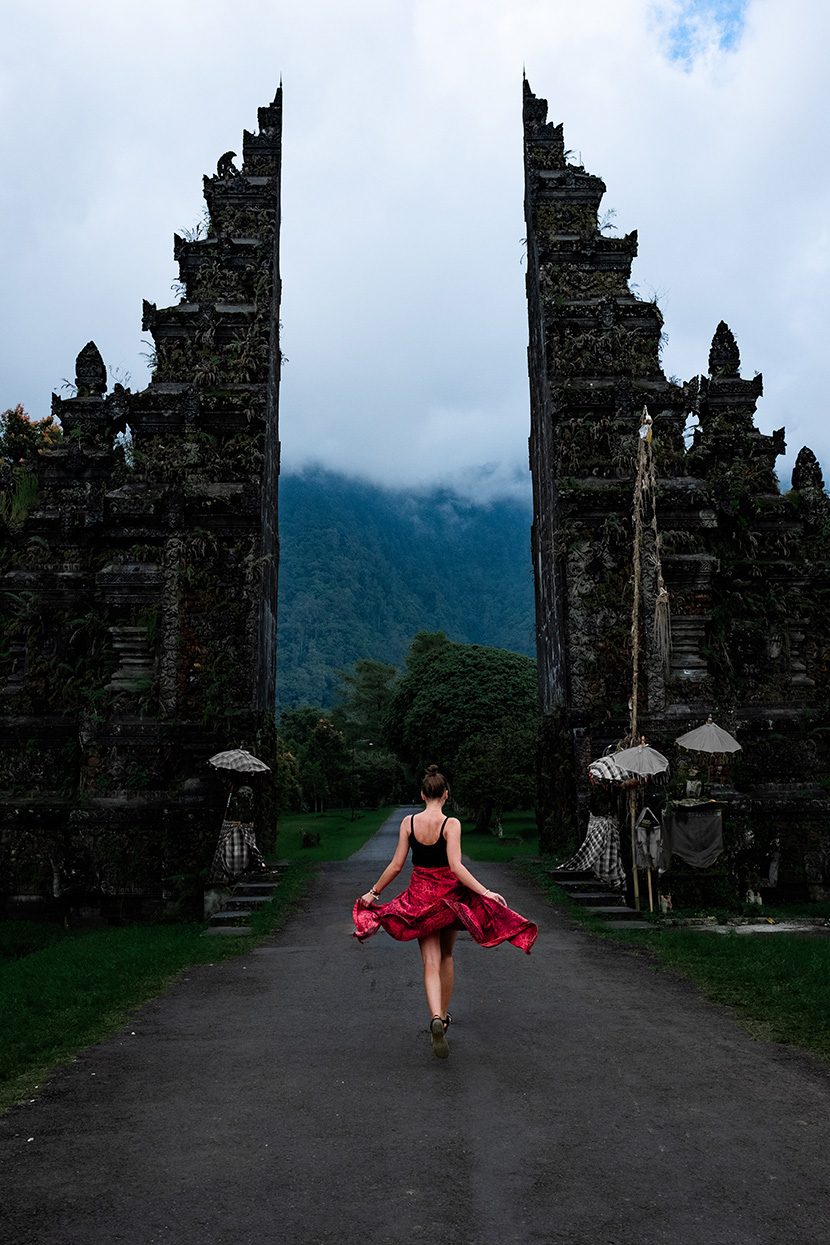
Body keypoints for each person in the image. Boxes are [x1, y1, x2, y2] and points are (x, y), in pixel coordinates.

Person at [352, 765, 538, 1059]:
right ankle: (445, 1018)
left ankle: (436, 1016)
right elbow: (456, 867)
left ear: (423, 794)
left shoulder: (408, 823)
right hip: (449, 899)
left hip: (420, 898)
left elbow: (397, 865)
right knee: (448, 956)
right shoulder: (451, 824)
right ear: (447, 794)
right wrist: (485, 892)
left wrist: (373, 892)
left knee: (430, 961)